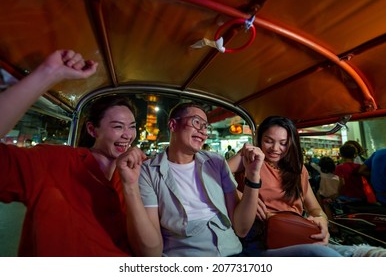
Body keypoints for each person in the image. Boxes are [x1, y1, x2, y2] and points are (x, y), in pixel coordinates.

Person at [0, 50, 147, 256]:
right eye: (118, 126)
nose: (128, 135)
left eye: (132, 126)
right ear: (92, 130)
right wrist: (47, 73)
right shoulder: (54, 161)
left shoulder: (143, 169)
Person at [119, 102, 263, 256]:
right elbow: (151, 252)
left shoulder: (216, 162)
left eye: (205, 126)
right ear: (173, 125)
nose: (203, 131)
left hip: (234, 252)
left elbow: (241, 229)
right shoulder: (149, 172)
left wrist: (253, 176)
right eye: (196, 122)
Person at [228, 116, 341, 257]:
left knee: (367, 254)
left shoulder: (298, 169)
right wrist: (244, 198)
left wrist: (322, 220)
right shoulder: (251, 158)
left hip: (295, 235)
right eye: (268, 141)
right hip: (260, 240)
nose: (275, 149)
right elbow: (212, 176)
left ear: (292, 143)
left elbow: (315, 208)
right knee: (325, 256)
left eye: (283, 143)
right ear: (259, 138)